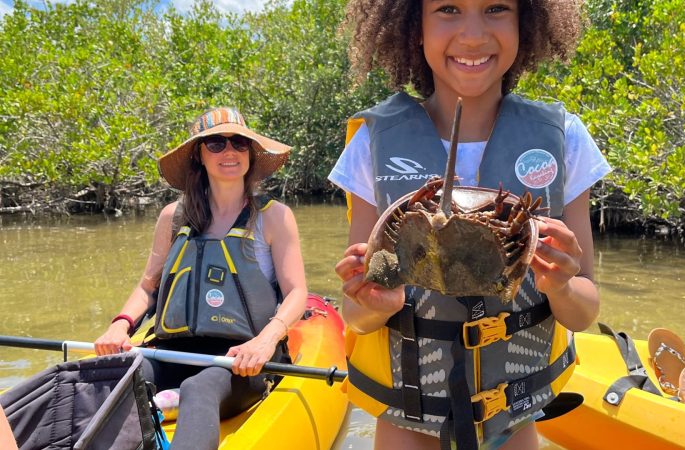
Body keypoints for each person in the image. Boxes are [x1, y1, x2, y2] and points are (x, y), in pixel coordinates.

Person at [330, 0, 611, 449]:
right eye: (448, 9)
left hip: (513, 422)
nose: (474, 34)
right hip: (410, 421)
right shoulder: (373, 145)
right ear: (414, 26)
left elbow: (585, 310)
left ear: (526, 22)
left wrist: (561, 284)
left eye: (496, 8)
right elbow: (357, 318)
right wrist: (375, 302)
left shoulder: (565, 140)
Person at [94, 107, 307, 450]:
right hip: (172, 353)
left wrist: (266, 341)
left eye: (239, 143)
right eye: (216, 144)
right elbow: (149, 286)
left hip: (241, 362)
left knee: (200, 387)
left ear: (251, 153)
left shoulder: (275, 217)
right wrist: (120, 325)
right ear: (199, 154)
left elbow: (297, 292)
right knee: (114, 380)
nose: (230, 152)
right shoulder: (173, 217)